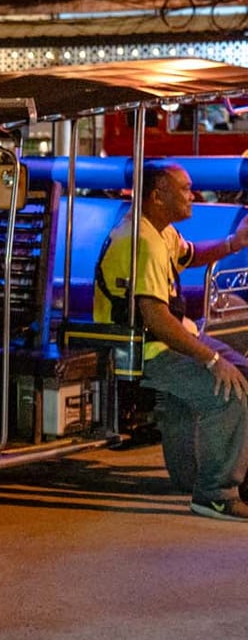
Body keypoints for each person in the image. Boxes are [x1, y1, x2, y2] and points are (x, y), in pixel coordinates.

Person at [96, 160, 248, 521]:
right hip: (145, 350)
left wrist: (234, 243)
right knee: (231, 393)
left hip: (168, 340)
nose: (192, 195)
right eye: (184, 188)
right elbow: (158, 322)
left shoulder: (160, 231)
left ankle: (202, 477)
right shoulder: (141, 241)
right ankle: (215, 494)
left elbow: (190, 254)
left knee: (236, 376)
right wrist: (212, 360)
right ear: (157, 195)